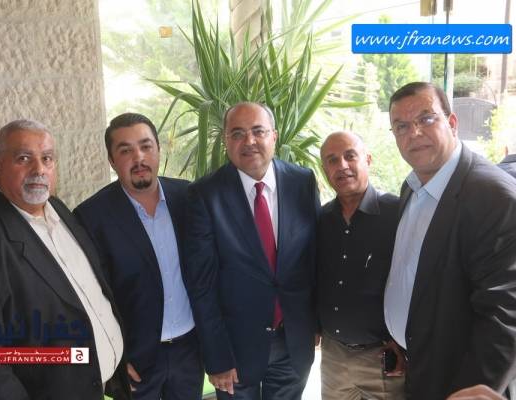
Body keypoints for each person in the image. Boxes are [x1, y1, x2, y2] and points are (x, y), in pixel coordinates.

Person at [0, 119, 131, 400]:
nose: (39, 169)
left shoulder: (58, 209)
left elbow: (92, 297)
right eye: (24, 158)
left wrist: (115, 358)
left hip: (104, 385)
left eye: (47, 158)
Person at [383, 82, 516, 399]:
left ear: (452, 122)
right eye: (401, 126)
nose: (414, 133)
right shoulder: (411, 186)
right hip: (418, 366)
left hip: (460, 381)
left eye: (426, 119)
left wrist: (473, 391)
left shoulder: (493, 196)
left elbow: (506, 316)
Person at [183, 102, 320, 400]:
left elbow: (313, 260)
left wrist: (315, 324)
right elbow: (201, 284)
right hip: (235, 350)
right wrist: (217, 355)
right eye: (237, 134)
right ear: (226, 141)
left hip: (293, 342)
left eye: (258, 131)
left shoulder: (303, 182)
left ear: (274, 136)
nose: (249, 141)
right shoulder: (204, 195)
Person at [75, 113, 203, 400]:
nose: (139, 157)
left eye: (146, 146)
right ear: (112, 160)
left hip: (190, 352)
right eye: (125, 150)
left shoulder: (189, 197)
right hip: (135, 361)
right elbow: (89, 298)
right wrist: (112, 357)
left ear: (159, 149)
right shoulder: (91, 217)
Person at [317, 131, 405, 400]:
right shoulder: (321, 219)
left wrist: (404, 343)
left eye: (350, 156)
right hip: (333, 357)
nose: (342, 165)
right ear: (325, 169)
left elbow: (415, 281)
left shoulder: (397, 214)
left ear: (368, 159)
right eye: (332, 160)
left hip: (383, 356)